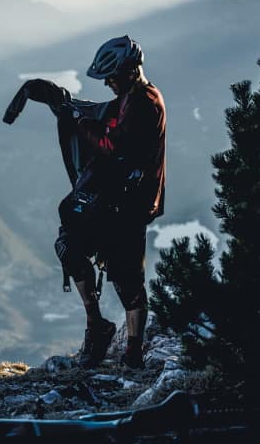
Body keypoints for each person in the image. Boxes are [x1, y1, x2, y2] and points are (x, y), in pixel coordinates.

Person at [69, 35, 166, 370]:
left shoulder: (143, 102)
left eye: (111, 76)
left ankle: (132, 352)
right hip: (120, 200)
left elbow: (115, 148)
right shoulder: (132, 98)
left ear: (127, 71)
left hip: (130, 203)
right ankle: (100, 328)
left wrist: (83, 126)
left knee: (128, 278)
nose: (107, 83)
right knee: (72, 245)